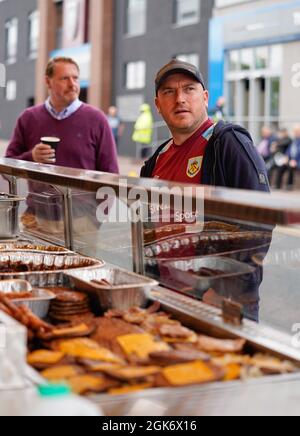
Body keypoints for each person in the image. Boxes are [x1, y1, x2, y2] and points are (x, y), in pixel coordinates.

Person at [141, 59, 269, 192]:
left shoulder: (230, 145)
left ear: (205, 98)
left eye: (189, 89)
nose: (179, 99)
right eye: (168, 91)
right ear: (158, 105)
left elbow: (262, 210)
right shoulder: (155, 161)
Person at [6, 57, 119, 174]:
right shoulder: (28, 118)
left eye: (75, 78)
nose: (72, 84)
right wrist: (31, 157)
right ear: (48, 82)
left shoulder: (97, 119)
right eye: (65, 78)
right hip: (37, 193)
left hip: (83, 193)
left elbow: (111, 174)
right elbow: (7, 164)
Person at [275, 125, 300, 190]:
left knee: (291, 167)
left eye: (297, 131)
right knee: (281, 167)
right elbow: (289, 150)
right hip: (291, 160)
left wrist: (295, 161)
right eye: (295, 131)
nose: (295, 133)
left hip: (297, 161)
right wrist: (286, 157)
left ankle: (289, 185)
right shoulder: (294, 140)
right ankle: (277, 186)